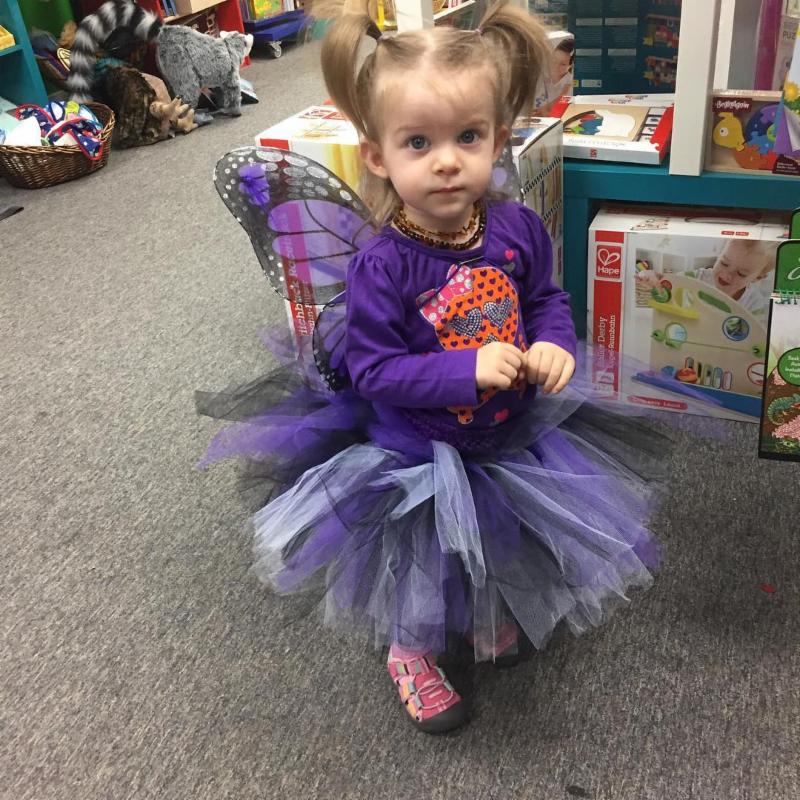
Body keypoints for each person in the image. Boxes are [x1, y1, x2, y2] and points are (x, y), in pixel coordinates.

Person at [200, 0, 671, 735]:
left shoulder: (515, 227)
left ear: (499, 139)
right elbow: (376, 371)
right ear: (378, 156)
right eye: (419, 142)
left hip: (509, 433)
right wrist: (466, 370)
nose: (447, 160)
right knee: (422, 561)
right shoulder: (382, 265)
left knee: (499, 534)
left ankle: (484, 613)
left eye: (468, 137)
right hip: (417, 453)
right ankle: (411, 651)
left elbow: (545, 300)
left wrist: (555, 343)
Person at [635, 239, 778, 317]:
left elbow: (755, 336)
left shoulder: (753, 302)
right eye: (724, 263)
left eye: (741, 273)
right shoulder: (699, 277)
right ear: (719, 255)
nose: (727, 275)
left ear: (757, 278)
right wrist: (652, 277)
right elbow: (668, 283)